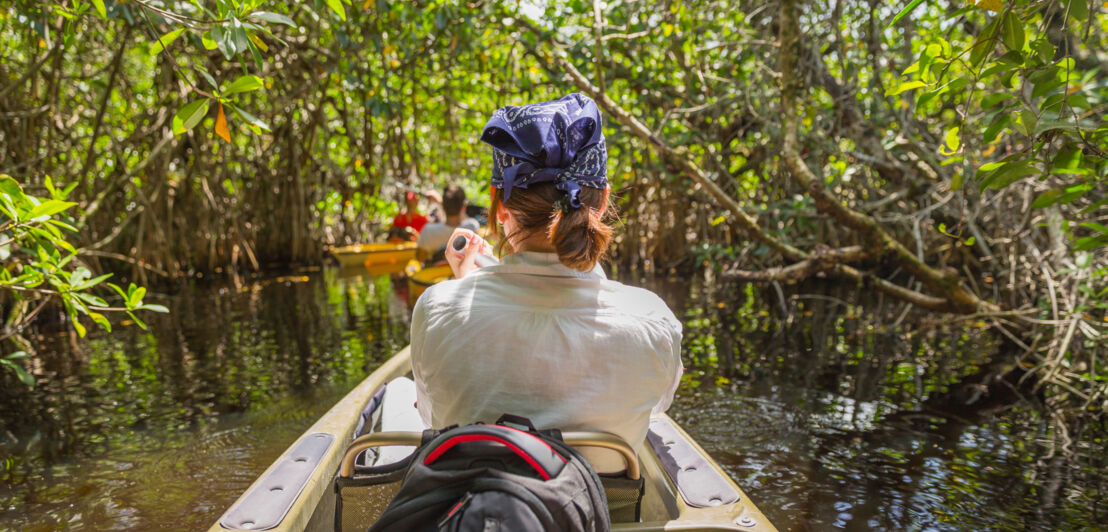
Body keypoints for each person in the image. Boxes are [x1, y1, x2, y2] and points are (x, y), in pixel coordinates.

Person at [410, 93, 683, 472]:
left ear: (499, 204)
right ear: (602, 201)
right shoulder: (652, 318)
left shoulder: (437, 307)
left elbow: (431, 416)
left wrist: (463, 287)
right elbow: (654, 408)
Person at [415, 184, 481, 262]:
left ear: (443, 206)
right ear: (463, 207)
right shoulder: (471, 229)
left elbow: (419, 258)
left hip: (436, 273)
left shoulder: (428, 230)